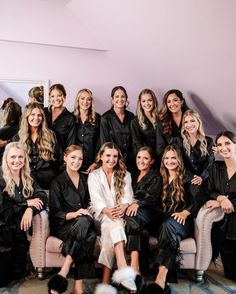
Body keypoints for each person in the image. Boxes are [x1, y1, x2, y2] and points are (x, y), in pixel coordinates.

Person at [145, 145, 200, 294]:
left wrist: (185, 212)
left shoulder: (189, 177)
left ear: (179, 160)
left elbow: (198, 200)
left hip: (181, 221)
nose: (170, 161)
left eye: (173, 157)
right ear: (163, 160)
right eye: (167, 158)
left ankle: (160, 277)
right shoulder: (158, 176)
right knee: (164, 226)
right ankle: (159, 272)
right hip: (163, 220)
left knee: (168, 226)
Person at [88, 142, 137, 292]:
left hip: (118, 215)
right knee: (113, 222)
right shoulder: (93, 175)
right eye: (108, 155)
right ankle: (123, 269)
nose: (111, 159)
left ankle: (105, 282)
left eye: (115, 156)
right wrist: (107, 210)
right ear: (101, 156)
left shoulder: (126, 174)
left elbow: (128, 196)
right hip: (100, 214)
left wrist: (123, 206)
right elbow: (96, 200)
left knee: (113, 226)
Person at [48, 145, 96, 294]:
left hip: (85, 222)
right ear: (65, 158)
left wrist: (91, 209)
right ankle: (78, 287)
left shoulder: (87, 179)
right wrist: (75, 214)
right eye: (73, 157)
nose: (77, 161)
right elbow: (55, 213)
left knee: (84, 221)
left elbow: (93, 202)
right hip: (65, 225)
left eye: (80, 158)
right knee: (90, 237)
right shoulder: (57, 182)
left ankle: (66, 268)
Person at [0, 142, 47, 287]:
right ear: (6, 158)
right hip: (2, 232)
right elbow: (3, 210)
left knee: (18, 274)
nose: (17, 160)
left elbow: (41, 196)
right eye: (12, 157)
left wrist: (30, 210)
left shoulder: (27, 176)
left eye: (20, 157)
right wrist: (26, 204)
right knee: (3, 281)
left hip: (18, 232)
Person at [125, 147, 162, 276]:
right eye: (139, 157)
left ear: (151, 161)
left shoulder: (155, 176)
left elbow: (152, 198)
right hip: (135, 213)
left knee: (131, 217)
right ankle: (139, 266)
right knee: (133, 221)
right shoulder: (132, 174)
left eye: (145, 158)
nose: (141, 161)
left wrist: (137, 204)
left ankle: (134, 266)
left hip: (152, 212)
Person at [204, 131, 236, 281]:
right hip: (224, 229)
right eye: (220, 144)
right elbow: (209, 190)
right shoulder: (215, 167)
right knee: (231, 274)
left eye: (228, 143)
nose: (224, 148)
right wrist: (221, 198)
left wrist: (229, 203)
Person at [16, 102, 58, 189]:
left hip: (48, 182)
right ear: (27, 117)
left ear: (42, 118)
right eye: (32, 114)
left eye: (39, 115)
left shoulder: (51, 136)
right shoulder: (18, 137)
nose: (36, 118)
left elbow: (60, 160)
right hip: (26, 183)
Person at [100, 86, 134, 169]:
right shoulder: (105, 118)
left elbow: (134, 140)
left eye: (123, 96)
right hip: (113, 161)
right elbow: (104, 143)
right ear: (112, 99)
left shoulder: (131, 116)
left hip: (131, 161)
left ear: (126, 99)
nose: (120, 99)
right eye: (117, 96)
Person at [181, 109, 214, 188]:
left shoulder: (208, 141)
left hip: (205, 181)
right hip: (186, 181)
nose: (189, 124)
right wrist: (193, 178)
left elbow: (209, 162)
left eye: (192, 121)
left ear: (198, 122)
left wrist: (201, 177)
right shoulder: (179, 141)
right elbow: (181, 164)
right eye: (186, 122)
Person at [72, 88, 101, 172]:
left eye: (89, 99)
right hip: (74, 163)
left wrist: (96, 163)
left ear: (91, 102)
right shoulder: (71, 118)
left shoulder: (98, 118)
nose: (85, 102)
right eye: (82, 98)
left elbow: (100, 142)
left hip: (92, 164)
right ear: (78, 100)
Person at [44, 83, 75, 158]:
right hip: (42, 156)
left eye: (59, 95)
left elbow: (71, 143)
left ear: (64, 97)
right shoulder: (43, 112)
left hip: (59, 158)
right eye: (52, 96)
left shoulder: (70, 117)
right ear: (49, 98)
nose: (56, 99)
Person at [156, 89, 188, 160]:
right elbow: (160, 148)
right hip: (171, 161)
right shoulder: (161, 122)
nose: (172, 104)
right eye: (169, 102)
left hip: (190, 161)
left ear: (182, 101)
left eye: (175, 100)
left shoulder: (190, 118)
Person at [131, 89, 159, 167]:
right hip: (146, 161)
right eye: (143, 101)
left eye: (149, 100)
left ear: (154, 101)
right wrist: (147, 159)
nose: (147, 103)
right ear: (140, 103)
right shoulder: (135, 121)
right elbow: (137, 143)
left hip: (162, 158)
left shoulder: (161, 118)